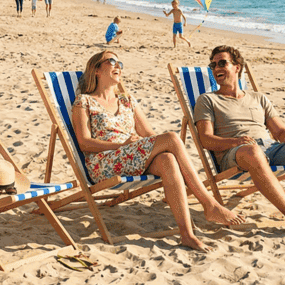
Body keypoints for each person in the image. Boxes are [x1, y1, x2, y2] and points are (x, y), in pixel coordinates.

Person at [73, 51, 244, 250]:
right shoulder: (84, 101)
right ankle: (209, 204)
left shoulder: (127, 100)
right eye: (111, 61)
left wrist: (145, 146)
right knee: (171, 138)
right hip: (104, 163)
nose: (118, 65)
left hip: (132, 157)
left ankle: (187, 234)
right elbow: (85, 143)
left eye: (120, 62)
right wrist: (122, 145)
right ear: (95, 70)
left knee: (167, 160)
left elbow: (148, 134)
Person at [193, 45, 285, 242]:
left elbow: (279, 131)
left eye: (222, 63)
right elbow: (205, 139)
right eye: (213, 65)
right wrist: (235, 141)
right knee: (253, 151)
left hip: (271, 148)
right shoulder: (207, 100)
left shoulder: (258, 97)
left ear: (237, 67)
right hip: (236, 153)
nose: (216, 68)